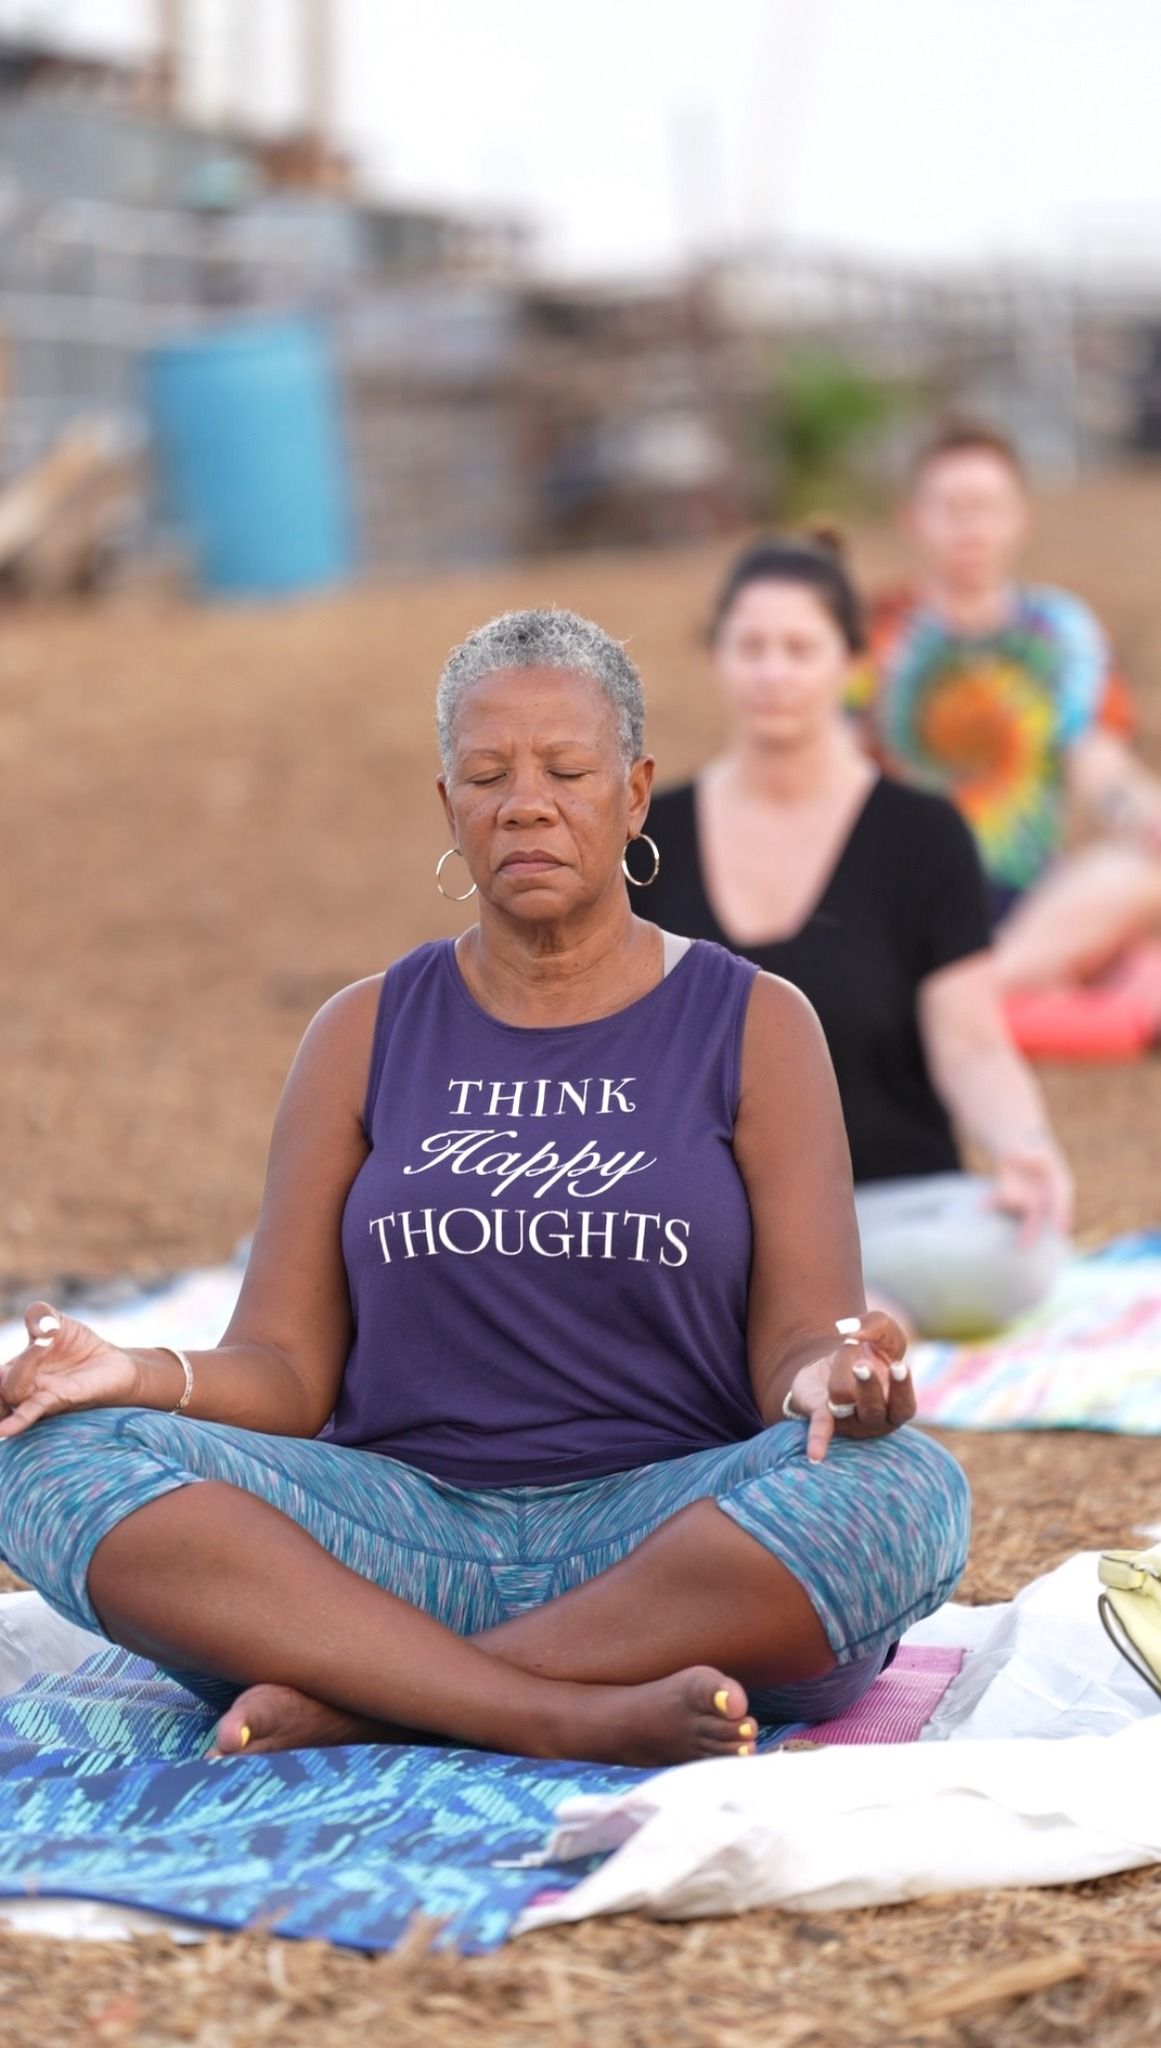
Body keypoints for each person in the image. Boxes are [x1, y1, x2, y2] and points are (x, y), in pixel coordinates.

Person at [0, 609, 968, 1768]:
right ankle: (552, 1708)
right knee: (47, 1450)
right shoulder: (363, 1029)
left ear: (637, 791)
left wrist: (837, 1377)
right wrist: (133, 1372)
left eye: (567, 769)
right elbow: (288, 1371)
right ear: (447, 804)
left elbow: (797, 1350)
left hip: (668, 1541)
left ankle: (374, 1694)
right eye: (487, 773)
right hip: (387, 1534)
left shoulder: (754, 1023)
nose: (526, 802)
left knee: (899, 1487)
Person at [640, 538, 1072, 1339]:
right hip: (705, 1215)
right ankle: (847, 1320)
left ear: (850, 662)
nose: (773, 672)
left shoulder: (923, 833)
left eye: (799, 649)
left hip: (895, 1208)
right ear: (718, 656)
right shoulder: (647, 835)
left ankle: (828, 1320)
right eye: (752, 647)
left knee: (1020, 1250)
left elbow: (971, 1042)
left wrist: (1022, 1144)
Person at [851, 420, 1161, 990]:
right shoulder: (872, 636)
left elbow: (1097, 762)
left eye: (987, 506)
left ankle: (971, 990)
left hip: (1029, 900)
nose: (970, 526)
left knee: (1140, 874)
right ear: (913, 520)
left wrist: (1143, 817)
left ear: (1021, 519)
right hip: (896, 894)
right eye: (951, 507)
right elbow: (828, 763)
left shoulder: (1061, 634)